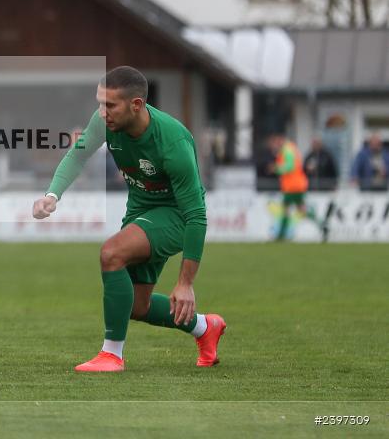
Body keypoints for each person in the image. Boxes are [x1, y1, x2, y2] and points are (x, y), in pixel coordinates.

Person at [32, 66, 225, 373]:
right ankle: (205, 327)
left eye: (110, 105)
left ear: (136, 105)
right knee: (136, 306)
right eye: (99, 103)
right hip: (140, 209)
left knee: (112, 253)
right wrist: (52, 195)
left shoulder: (172, 142)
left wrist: (185, 283)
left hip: (175, 215)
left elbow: (196, 215)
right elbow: (78, 155)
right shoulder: (104, 122)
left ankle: (111, 355)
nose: (101, 112)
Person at [267, 132, 322, 241]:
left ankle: (281, 235)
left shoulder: (287, 149)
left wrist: (276, 169)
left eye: (275, 142)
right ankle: (322, 224)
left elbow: (290, 166)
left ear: (280, 139)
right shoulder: (287, 149)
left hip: (293, 186)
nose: (274, 145)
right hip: (295, 185)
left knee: (286, 209)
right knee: (301, 210)